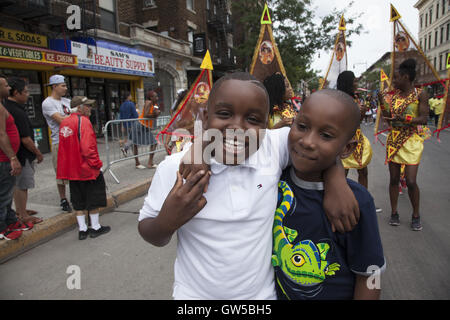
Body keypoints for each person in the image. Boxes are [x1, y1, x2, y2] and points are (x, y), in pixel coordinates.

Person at [138, 72, 360, 300]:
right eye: (224, 114)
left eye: (253, 120)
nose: (237, 127)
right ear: (204, 117)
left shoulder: (273, 147)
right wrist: (167, 221)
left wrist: (336, 180)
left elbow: (316, 147)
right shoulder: (176, 168)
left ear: (267, 125)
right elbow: (149, 230)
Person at [273, 89, 385, 300]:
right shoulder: (273, 178)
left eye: (326, 135)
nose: (307, 141)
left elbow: (372, 273)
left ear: (347, 149)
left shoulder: (357, 202)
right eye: (302, 126)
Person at [378, 59, 428, 231]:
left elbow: (424, 118)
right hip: (394, 140)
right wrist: (380, 102)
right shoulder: (393, 97)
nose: (394, 82)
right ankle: (394, 213)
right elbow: (387, 116)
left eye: (397, 78)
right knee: (393, 179)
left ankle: (416, 214)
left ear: (406, 77)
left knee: (411, 181)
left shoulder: (420, 94)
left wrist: (406, 119)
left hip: (412, 141)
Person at [57, 96, 110, 240]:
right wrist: (96, 164)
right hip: (87, 169)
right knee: (93, 198)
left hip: (72, 170)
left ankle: (82, 229)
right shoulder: (84, 122)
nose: (90, 108)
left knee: (78, 201)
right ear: (80, 108)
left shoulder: (65, 122)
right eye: (87, 106)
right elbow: (87, 149)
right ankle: (95, 227)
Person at [4, 77, 44, 226]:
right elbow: (25, 139)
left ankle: (21, 209)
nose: (28, 95)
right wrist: (38, 153)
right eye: (25, 92)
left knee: (17, 184)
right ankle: (22, 214)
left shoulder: (8, 107)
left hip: (15, 155)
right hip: (22, 155)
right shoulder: (16, 111)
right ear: (16, 93)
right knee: (23, 185)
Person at [337, 72, 378, 205]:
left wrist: (360, 113)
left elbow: (358, 121)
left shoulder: (355, 98)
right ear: (347, 83)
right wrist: (355, 112)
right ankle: (341, 201)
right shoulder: (339, 100)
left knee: (363, 171)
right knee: (342, 173)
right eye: (354, 81)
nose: (357, 84)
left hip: (358, 140)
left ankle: (364, 201)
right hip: (344, 140)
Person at [42, 75, 72, 212]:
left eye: (65, 85)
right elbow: (61, 120)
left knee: (75, 170)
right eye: (62, 85)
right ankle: (63, 199)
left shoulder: (67, 101)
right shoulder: (48, 103)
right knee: (61, 173)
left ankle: (76, 196)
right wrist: (73, 116)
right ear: (54, 86)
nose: (65, 88)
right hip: (59, 142)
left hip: (72, 141)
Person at [0, 74, 23, 240]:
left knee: (7, 195)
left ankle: (10, 221)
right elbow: (1, 134)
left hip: (5, 159)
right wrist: (12, 158)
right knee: (3, 195)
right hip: (4, 160)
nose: (9, 88)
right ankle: (2, 229)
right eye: (6, 85)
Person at [118, 92, 145, 168]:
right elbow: (136, 115)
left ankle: (126, 149)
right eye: (130, 95)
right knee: (134, 141)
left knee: (132, 139)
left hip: (126, 124)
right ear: (128, 96)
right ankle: (136, 161)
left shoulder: (122, 105)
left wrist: (123, 125)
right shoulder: (131, 104)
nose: (131, 96)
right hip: (132, 124)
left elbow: (121, 116)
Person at [136, 90, 160, 168]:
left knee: (135, 143)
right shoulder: (148, 102)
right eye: (155, 96)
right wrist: (154, 114)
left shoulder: (155, 104)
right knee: (136, 143)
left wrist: (157, 113)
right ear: (151, 97)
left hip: (145, 126)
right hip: (141, 125)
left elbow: (155, 113)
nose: (157, 98)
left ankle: (147, 162)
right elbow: (146, 115)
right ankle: (147, 163)